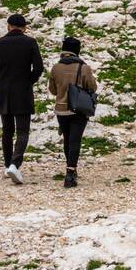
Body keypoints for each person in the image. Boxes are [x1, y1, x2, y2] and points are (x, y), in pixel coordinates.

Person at [0, 12, 44, 185]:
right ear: (24, 28)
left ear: (8, 26)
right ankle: (15, 164)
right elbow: (39, 68)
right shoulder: (30, 42)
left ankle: (8, 163)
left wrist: (1, 71)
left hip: (4, 91)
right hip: (23, 91)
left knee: (7, 131)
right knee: (23, 131)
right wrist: (27, 80)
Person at [46, 36, 98, 188]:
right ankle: (70, 172)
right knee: (75, 140)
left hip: (61, 110)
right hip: (78, 110)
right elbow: (92, 87)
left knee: (68, 139)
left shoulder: (56, 67)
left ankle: (69, 168)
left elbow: (53, 90)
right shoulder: (84, 68)